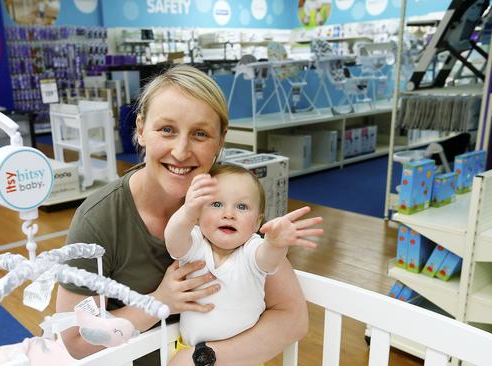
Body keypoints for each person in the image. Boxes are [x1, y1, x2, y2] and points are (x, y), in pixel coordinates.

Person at [55, 64, 321, 365]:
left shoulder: (229, 202)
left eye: (200, 134)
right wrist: (159, 302)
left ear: (220, 140)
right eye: (167, 129)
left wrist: (199, 360)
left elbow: (291, 317)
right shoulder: (100, 220)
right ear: (141, 130)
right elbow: (75, 340)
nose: (181, 152)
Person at [165, 164, 321, 349]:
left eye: (242, 206)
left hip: (242, 358)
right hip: (189, 353)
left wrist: (275, 244)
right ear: (198, 214)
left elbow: (267, 260)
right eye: (217, 204)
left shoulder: (251, 249)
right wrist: (186, 212)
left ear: (257, 222)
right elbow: (173, 240)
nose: (229, 214)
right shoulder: (196, 243)